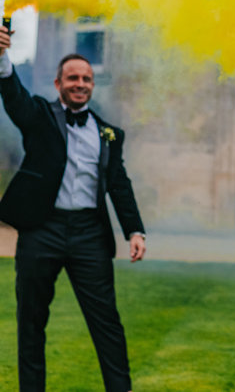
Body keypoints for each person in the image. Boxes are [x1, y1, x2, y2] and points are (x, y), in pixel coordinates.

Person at [0, 26, 146, 392]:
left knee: (108, 324)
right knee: (31, 325)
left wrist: (135, 230)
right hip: (41, 231)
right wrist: (2, 56)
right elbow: (14, 95)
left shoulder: (110, 133)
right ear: (58, 83)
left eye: (86, 78)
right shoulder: (39, 117)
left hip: (89, 236)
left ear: (92, 85)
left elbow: (119, 184)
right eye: (73, 78)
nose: (80, 83)